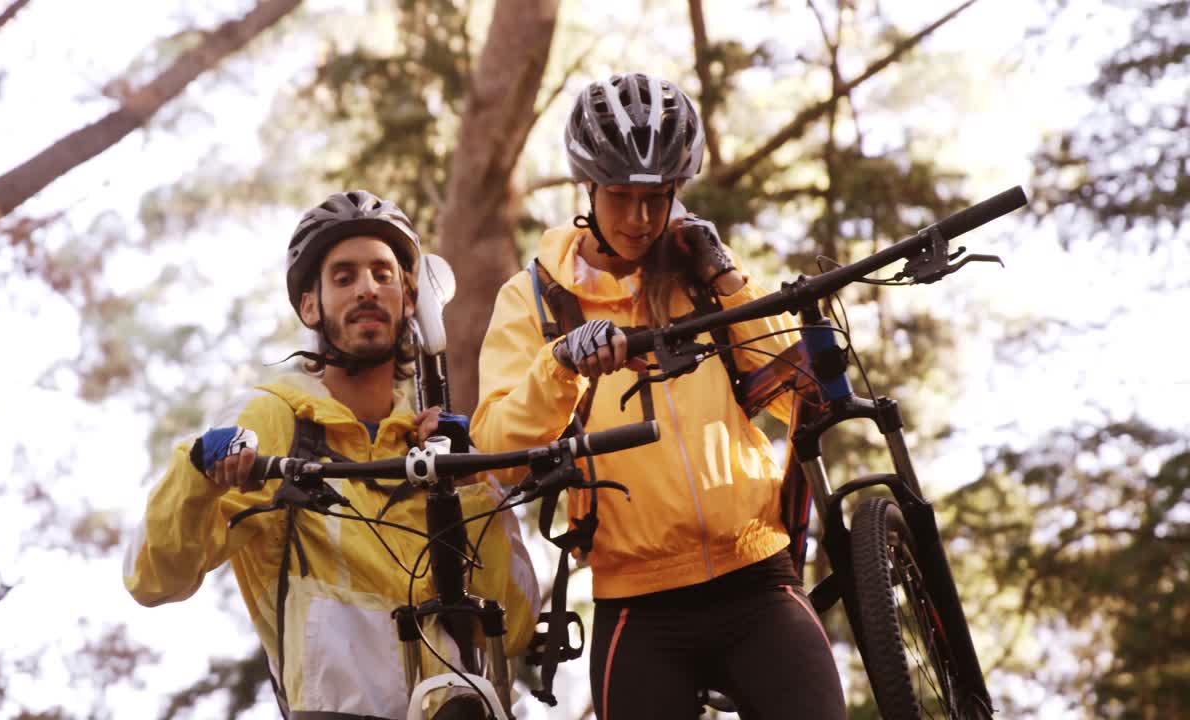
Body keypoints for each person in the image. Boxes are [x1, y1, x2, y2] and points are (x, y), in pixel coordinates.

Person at [471, 73, 846, 719]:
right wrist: (560, 365)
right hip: (638, 604)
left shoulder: (700, 280)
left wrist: (727, 281)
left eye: (660, 197)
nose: (642, 218)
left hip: (759, 576)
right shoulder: (532, 299)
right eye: (622, 197)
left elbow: (801, 393)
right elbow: (495, 451)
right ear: (587, 188)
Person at [123, 191, 539, 719]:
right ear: (310, 305)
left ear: (410, 301)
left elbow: (518, 622)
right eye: (344, 277)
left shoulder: (433, 439)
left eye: (383, 275)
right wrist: (197, 471)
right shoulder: (273, 418)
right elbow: (153, 578)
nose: (368, 288)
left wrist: (470, 486)